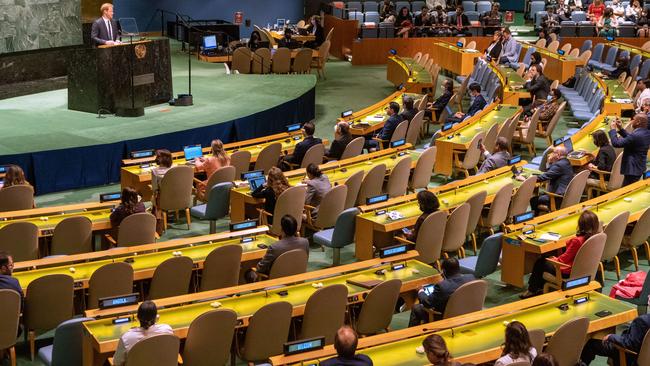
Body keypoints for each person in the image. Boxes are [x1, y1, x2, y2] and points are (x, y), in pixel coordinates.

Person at [521, 210, 600, 298]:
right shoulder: (595, 238)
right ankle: (538, 287)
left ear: (581, 224)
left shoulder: (577, 241)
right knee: (547, 259)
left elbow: (564, 259)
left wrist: (554, 259)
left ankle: (532, 290)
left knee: (541, 262)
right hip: (584, 269)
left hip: (568, 272)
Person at [408, 258, 474, 326]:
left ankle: (411, 335)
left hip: (444, 316)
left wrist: (420, 291)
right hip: (466, 311)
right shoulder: (471, 278)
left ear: (444, 271)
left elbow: (427, 303)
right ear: (458, 268)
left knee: (416, 308)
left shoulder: (443, 286)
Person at [246, 215, 309, 282]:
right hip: (297, 276)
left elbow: (260, 268)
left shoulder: (274, 247)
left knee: (248, 273)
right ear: (296, 228)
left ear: (282, 229)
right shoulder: (305, 242)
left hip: (277, 280)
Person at [112, 300, 173, 366]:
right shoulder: (167, 330)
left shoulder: (127, 338)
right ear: (157, 317)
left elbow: (116, 363)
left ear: (138, 318)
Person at [581, 313, 650, 366]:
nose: (648, 296)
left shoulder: (642, 321)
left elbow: (630, 344)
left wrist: (611, 337)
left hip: (630, 356)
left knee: (592, 344)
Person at [528, 146, 574, 214]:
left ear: (558, 155)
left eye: (553, 152)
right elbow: (550, 173)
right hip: (565, 194)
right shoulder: (566, 162)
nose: (551, 154)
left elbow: (543, 177)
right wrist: (550, 162)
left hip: (557, 198)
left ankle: (538, 219)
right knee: (541, 194)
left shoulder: (559, 165)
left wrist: (528, 179)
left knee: (533, 200)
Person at [608, 114, 650, 186]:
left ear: (638, 122)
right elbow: (632, 139)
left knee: (625, 193)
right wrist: (621, 129)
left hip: (632, 170)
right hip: (638, 168)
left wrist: (613, 130)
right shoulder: (646, 133)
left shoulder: (636, 135)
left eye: (633, 119)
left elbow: (616, 143)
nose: (631, 121)